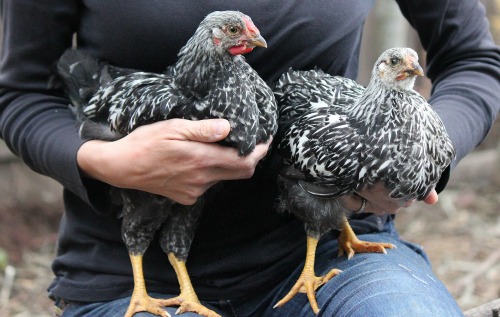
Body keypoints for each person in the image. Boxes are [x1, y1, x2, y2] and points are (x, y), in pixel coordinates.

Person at [0, 1, 498, 316]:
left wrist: (422, 149)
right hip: (131, 275)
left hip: (336, 247)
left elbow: (472, 58)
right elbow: (20, 94)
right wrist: (105, 161)